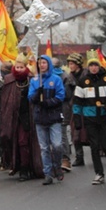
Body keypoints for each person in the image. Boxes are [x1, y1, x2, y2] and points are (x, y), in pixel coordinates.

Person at [73, 56, 106, 185]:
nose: (93, 68)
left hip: (105, 116)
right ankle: (99, 173)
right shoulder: (83, 81)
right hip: (90, 117)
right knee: (94, 146)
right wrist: (77, 118)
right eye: (91, 65)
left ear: (100, 66)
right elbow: (77, 101)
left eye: (96, 65)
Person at [0, 54, 43, 181]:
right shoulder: (8, 80)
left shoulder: (32, 79)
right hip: (12, 117)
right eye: (17, 67)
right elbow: (5, 99)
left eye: (21, 67)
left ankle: (25, 168)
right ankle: (14, 164)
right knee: (10, 140)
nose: (18, 69)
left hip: (27, 116)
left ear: (25, 67)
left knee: (24, 142)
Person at [28, 55, 66, 185]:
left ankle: (57, 166)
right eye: (39, 63)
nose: (42, 65)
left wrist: (48, 103)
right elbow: (30, 98)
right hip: (40, 117)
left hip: (53, 116)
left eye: (44, 62)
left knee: (56, 145)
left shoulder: (56, 79)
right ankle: (48, 173)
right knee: (44, 147)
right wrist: (36, 95)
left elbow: (61, 96)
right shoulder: (35, 80)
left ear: (48, 64)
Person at [64, 53, 88, 167]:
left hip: (87, 107)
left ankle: (96, 154)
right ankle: (79, 157)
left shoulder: (86, 74)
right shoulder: (69, 77)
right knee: (76, 134)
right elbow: (67, 95)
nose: (70, 66)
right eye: (69, 63)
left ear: (78, 64)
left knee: (89, 133)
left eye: (72, 63)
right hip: (75, 108)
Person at [52, 57, 73, 172]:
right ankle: (54, 159)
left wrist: (53, 94)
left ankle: (65, 159)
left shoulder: (65, 77)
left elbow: (67, 95)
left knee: (63, 135)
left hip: (62, 108)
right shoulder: (43, 77)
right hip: (49, 110)